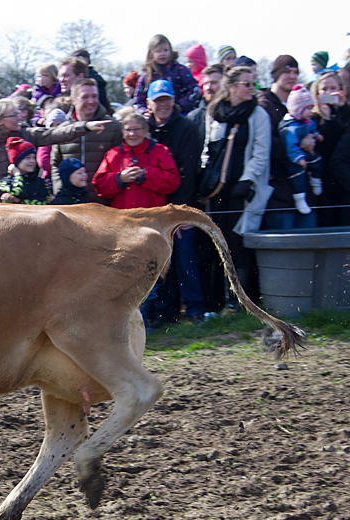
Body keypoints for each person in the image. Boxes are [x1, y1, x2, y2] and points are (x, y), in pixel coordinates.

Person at [198, 66, 272, 311]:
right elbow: (209, 148)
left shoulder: (257, 114)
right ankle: (217, 301)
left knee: (239, 243)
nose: (252, 88)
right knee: (218, 244)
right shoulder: (216, 111)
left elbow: (261, 152)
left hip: (243, 191)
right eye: (246, 83)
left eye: (254, 83)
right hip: (217, 190)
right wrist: (206, 176)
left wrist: (247, 179)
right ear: (231, 86)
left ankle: (240, 301)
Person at [0, 94, 104, 203]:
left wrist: (84, 126)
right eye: (14, 115)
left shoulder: (26, 135)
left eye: (18, 112)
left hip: (29, 208)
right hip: (0, 211)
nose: (20, 117)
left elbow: (55, 134)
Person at [146, 79, 207, 326]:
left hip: (180, 207)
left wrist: (179, 215)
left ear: (174, 101)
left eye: (167, 100)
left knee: (185, 259)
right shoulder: (144, 127)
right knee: (160, 264)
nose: (163, 105)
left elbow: (189, 174)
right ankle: (166, 312)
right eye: (158, 101)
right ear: (149, 103)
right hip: (153, 208)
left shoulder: (187, 128)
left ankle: (195, 310)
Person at [257, 55, 315, 229]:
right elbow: (266, 143)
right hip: (279, 193)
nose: (292, 76)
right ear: (276, 74)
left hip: (305, 191)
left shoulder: (302, 102)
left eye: (295, 72)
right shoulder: (264, 104)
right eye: (286, 71)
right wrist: (297, 144)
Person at [49, 78, 122, 201]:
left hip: (103, 202)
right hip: (72, 202)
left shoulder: (113, 127)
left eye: (94, 96)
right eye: (85, 97)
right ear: (74, 100)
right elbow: (56, 164)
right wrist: (61, 190)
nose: (91, 101)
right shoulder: (63, 130)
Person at [92, 112, 181, 210]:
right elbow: (100, 187)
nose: (132, 134)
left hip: (153, 216)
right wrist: (119, 179)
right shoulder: (113, 153)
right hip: (123, 216)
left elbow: (173, 182)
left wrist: (146, 174)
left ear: (146, 131)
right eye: (128, 130)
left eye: (137, 129)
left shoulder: (160, 151)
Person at [310, 71, 350, 225]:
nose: (328, 93)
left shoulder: (347, 112)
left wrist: (341, 109)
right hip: (324, 181)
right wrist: (326, 119)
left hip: (344, 179)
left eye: (333, 88)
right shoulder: (313, 117)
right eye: (324, 90)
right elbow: (324, 146)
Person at [279, 86, 323, 216]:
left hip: (306, 153)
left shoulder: (307, 121)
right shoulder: (291, 128)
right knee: (298, 175)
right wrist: (299, 159)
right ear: (298, 110)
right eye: (308, 109)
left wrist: (316, 134)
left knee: (317, 160)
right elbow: (290, 145)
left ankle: (316, 179)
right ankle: (300, 198)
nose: (311, 111)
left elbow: (312, 127)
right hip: (294, 157)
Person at [134, 35, 200, 114]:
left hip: (180, 115)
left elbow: (194, 91)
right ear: (151, 53)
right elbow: (138, 101)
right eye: (158, 51)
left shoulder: (181, 70)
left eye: (165, 50)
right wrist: (143, 112)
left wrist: (180, 106)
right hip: (154, 117)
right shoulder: (146, 76)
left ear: (171, 51)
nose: (162, 54)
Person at [0, 138, 49, 205]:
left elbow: (43, 202)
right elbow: (18, 192)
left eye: (34, 157)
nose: (32, 161)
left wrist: (19, 201)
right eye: (27, 158)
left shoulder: (40, 182)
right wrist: (17, 175)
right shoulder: (5, 182)